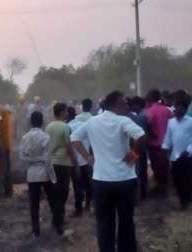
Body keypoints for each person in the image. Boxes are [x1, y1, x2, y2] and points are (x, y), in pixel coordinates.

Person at [71, 91, 145, 252]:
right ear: (113, 105)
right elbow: (141, 136)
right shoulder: (123, 121)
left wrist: (87, 156)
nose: (127, 106)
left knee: (104, 223)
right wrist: (134, 155)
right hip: (125, 180)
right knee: (126, 221)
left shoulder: (92, 122)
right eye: (124, 103)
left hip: (101, 181)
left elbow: (74, 138)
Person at [19, 111, 57, 238]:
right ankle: (57, 226)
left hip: (31, 174)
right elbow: (47, 160)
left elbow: (22, 157)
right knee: (53, 201)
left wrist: (32, 161)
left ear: (31, 122)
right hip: (44, 173)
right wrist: (52, 175)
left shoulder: (25, 137)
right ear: (42, 122)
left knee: (34, 205)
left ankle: (36, 232)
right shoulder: (45, 137)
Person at [162, 96, 192, 209]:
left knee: (187, 179)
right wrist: (165, 148)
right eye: (175, 108)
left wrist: (188, 150)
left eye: (179, 108)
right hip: (175, 156)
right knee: (177, 179)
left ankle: (187, 199)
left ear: (184, 109)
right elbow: (168, 137)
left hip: (188, 156)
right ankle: (183, 199)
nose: (176, 110)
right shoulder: (171, 122)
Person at [45, 103, 77, 236]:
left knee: (55, 194)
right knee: (62, 194)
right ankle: (59, 225)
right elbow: (69, 147)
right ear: (62, 112)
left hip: (52, 163)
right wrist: (75, 163)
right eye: (65, 111)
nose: (67, 113)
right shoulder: (65, 127)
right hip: (63, 164)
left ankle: (56, 220)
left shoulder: (48, 127)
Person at [146, 89, 173, 195]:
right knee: (164, 165)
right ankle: (165, 186)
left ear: (150, 98)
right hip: (166, 143)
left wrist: (152, 133)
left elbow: (149, 122)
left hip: (155, 143)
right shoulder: (167, 110)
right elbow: (173, 120)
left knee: (156, 166)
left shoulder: (151, 110)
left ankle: (159, 187)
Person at [67, 106, 92, 216]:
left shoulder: (67, 127)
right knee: (88, 184)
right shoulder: (84, 125)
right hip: (86, 160)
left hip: (74, 162)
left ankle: (78, 210)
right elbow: (91, 143)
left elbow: (67, 146)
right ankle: (88, 205)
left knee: (77, 186)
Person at [130, 96, 149, 200]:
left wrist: (135, 152)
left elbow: (140, 136)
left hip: (138, 149)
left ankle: (139, 196)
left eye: (133, 105)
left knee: (137, 173)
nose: (132, 107)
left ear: (138, 105)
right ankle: (143, 194)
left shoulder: (140, 117)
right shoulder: (141, 115)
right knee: (142, 172)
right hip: (142, 148)